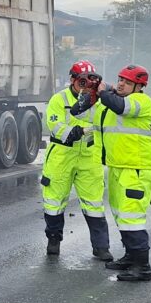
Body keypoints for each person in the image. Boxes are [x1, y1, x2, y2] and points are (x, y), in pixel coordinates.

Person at [76, 64, 151, 282]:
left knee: (132, 218)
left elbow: (119, 106)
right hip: (118, 167)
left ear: (139, 87)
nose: (122, 83)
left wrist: (104, 91)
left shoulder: (141, 102)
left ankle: (143, 267)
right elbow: (84, 111)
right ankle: (131, 257)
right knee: (122, 216)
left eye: (128, 82)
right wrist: (92, 92)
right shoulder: (115, 100)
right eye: (120, 79)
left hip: (136, 169)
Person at [41, 60, 111, 260]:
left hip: (89, 157)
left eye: (89, 81)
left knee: (94, 204)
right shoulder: (58, 99)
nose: (85, 85)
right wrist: (77, 131)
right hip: (61, 156)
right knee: (54, 201)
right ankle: (53, 240)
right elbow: (56, 126)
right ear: (72, 79)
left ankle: (101, 247)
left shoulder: (98, 100)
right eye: (81, 81)